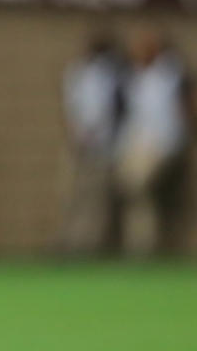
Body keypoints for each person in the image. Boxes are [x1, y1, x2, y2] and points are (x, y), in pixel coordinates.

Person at [113, 25, 188, 256]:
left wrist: (169, 146)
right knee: (135, 196)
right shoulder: (131, 76)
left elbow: (179, 114)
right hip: (135, 146)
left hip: (162, 146)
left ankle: (144, 246)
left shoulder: (170, 75)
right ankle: (139, 245)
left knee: (141, 190)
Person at [60, 32, 125, 255]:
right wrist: (76, 133)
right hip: (77, 143)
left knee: (95, 199)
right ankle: (69, 242)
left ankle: (88, 246)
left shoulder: (112, 75)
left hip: (103, 144)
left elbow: (111, 110)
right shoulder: (77, 72)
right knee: (72, 195)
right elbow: (70, 107)